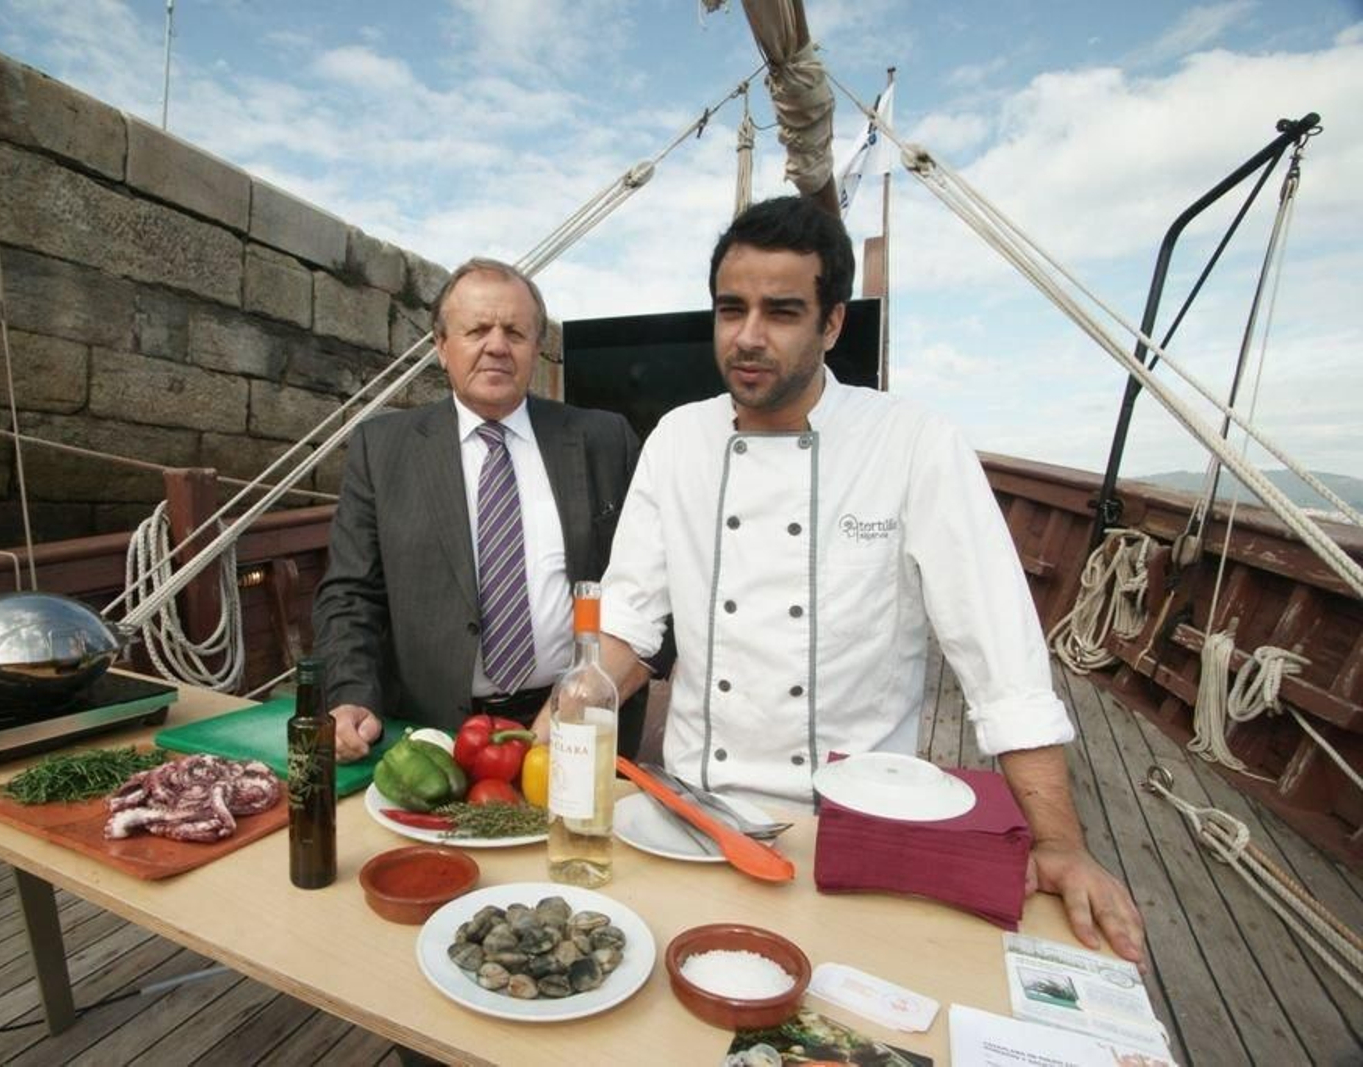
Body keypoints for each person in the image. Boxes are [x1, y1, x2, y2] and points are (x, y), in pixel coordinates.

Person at [583, 196, 1147, 965]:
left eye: (782, 311)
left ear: (832, 324)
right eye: (731, 309)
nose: (748, 336)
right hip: (692, 813)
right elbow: (626, 624)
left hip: (855, 827)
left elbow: (1000, 659)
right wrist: (556, 724)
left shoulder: (913, 443)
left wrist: (1059, 842)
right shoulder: (678, 439)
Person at [313, 257, 656, 764]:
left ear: (537, 348)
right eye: (477, 330)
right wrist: (351, 693)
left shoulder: (605, 440)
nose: (497, 345)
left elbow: (650, 583)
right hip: (433, 732)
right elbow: (350, 594)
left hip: (580, 725)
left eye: (515, 332)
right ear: (440, 346)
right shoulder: (381, 449)